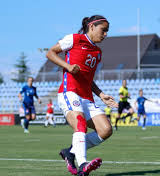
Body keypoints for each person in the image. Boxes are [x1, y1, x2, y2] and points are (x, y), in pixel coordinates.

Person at [46, 15, 118, 176]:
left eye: (107, 31)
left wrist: (101, 94)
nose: (105, 34)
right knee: (80, 124)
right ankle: (83, 164)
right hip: (69, 92)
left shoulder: (98, 53)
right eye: (103, 30)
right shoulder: (75, 39)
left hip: (87, 97)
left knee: (106, 130)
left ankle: (70, 152)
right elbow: (50, 52)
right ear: (92, 27)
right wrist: (68, 66)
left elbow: (88, 79)